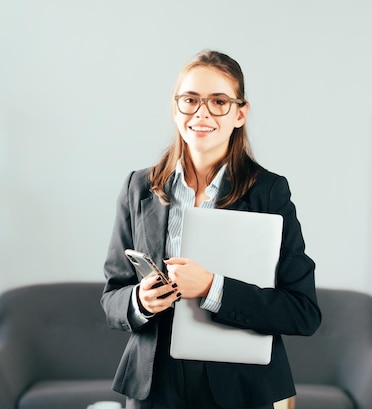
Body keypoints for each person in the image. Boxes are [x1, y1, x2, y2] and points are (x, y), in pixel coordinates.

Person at [101, 49, 321, 409]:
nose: (201, 113)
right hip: (154, 385)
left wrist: (211, 288)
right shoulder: (137, 187)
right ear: (175, 109)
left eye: (218, 101)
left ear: (240, 113)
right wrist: (139, 301)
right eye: (190, 100)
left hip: (239, 385)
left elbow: (302, 311)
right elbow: (112, 298)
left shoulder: (269, 192)